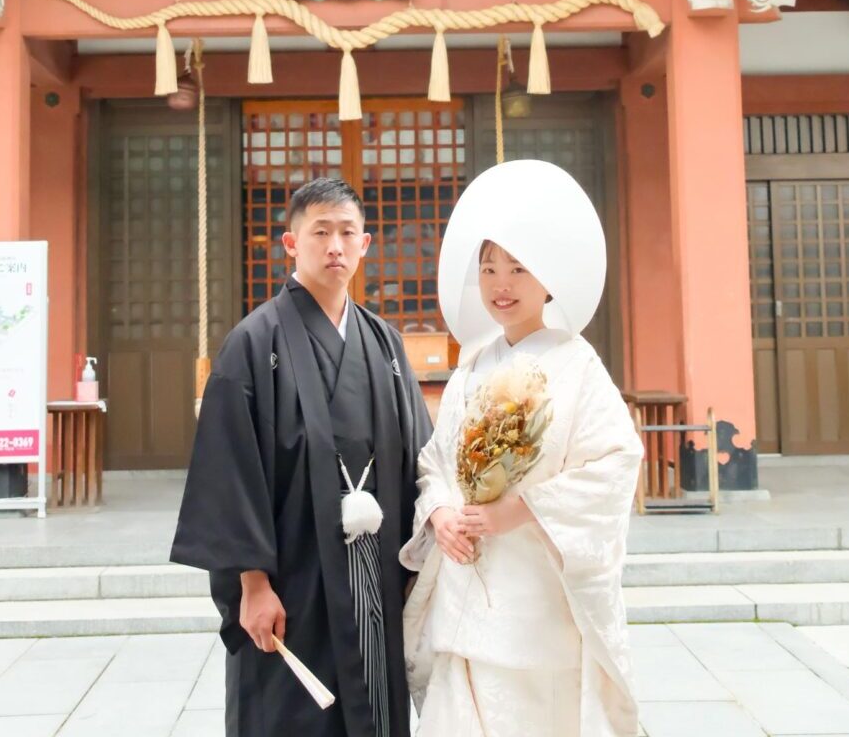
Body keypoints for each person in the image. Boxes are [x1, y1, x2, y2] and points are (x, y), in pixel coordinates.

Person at [171, 177, 432, 737]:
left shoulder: (384, 343)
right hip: (292, 573)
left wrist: (420, 558)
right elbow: (230, 472)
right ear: (291, 244)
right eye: (320, 232)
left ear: (365, 245)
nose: (334, 246)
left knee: (375, 711)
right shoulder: (253, 342)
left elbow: (418, 455)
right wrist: (252, 584)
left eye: (347, 233)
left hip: (375, 572)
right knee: (290, 714)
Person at [401, 159, 642, 737]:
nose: (500, 285)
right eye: (488, 269)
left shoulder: (576, 363)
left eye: (517, 267)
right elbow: (436, 461)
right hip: (466, 585)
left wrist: (517, 510)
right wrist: (440, 515)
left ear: (549, 278)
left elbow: (615, 462)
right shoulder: (473, 365)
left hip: (535, 597)